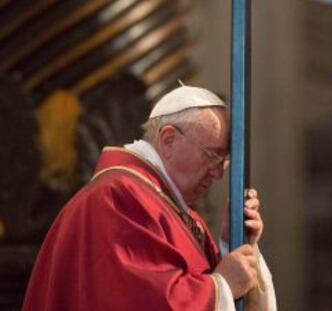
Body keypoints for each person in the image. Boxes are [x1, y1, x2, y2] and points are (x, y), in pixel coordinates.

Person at [23, 85, 277, 311]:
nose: (219, 173)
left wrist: (230, 243)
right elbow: (143, 301)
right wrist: (220, 287)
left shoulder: (169, 207)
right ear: (168, 140)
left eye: (224, 161)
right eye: (212, 156)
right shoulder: (118, 197)